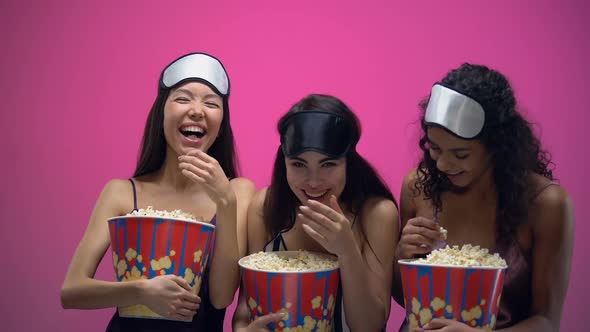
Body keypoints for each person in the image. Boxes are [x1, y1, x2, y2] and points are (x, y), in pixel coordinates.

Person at [61, 52, 255, 331]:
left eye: (211, 103)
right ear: (161, 112)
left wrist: (225, 202)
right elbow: (71, 291)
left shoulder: (238, 192)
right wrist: (141, 291)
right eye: (183, 98)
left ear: (221, 124)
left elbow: (222, 297)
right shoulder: (121, 193)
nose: (197, 110)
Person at [393, 63, 574, 331]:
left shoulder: (546, 204)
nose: (442, 164)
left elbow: (547, 321)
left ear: (497, 145)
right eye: (435, 148)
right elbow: (406, 300)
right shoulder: (417, 187)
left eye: (460, 154)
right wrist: (401, 254)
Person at [232, 94, 399, 331]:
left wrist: (347, 250)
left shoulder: (377, 214)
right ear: (284, 162)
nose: (313, 182)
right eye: (299, 165)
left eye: (328, 164)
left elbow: (370, 326)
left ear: (348, 162)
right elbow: (244, 311)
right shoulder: (265, 207)